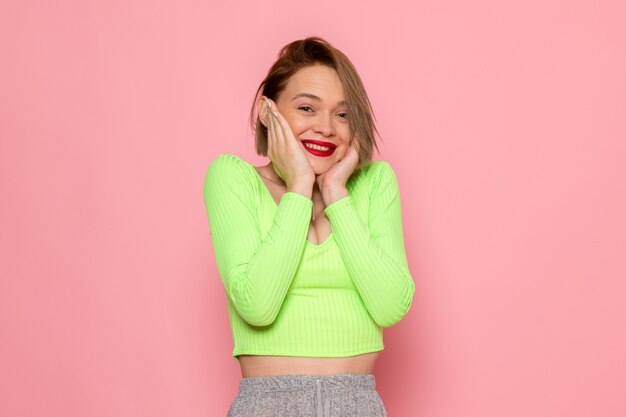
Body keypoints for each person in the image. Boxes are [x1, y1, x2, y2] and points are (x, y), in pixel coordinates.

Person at [203, 36, 415, 417]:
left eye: (342, 114)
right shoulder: (233, 178)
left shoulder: (374, 183)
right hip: (268, 404)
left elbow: (390, 306)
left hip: (358, 404)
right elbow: (257, 305)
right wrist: (299, 187)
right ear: (268, 111)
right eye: (306, 108)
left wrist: (335, 195)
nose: (326, 128)